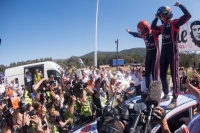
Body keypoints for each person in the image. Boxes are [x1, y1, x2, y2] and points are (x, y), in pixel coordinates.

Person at [151, 2, 191, 109]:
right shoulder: (162, 27)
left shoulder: (174, 23)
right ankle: (166, 94)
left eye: (163, 15)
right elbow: (153, 27)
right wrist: (155, 18)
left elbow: (188, 15)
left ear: (169, 14)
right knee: (162, 75)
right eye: (160, 16)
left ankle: (175, 99)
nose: (161, 17)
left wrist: (180, 5)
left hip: (173, 52)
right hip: (164, 53)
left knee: (174, 76)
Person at [126, 20, 160, 89]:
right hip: (148, 53)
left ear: (146, 27)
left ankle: (156, 89)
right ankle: (148, 89)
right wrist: (129, 32)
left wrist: (157, 19)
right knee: (147, 73)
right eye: (141, 30)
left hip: (155, 53)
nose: (142, 32)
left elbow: (162, 30)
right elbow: (136, 34)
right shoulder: (143, 35)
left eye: (142, 30)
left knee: (154, 73)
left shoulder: (154, 32)